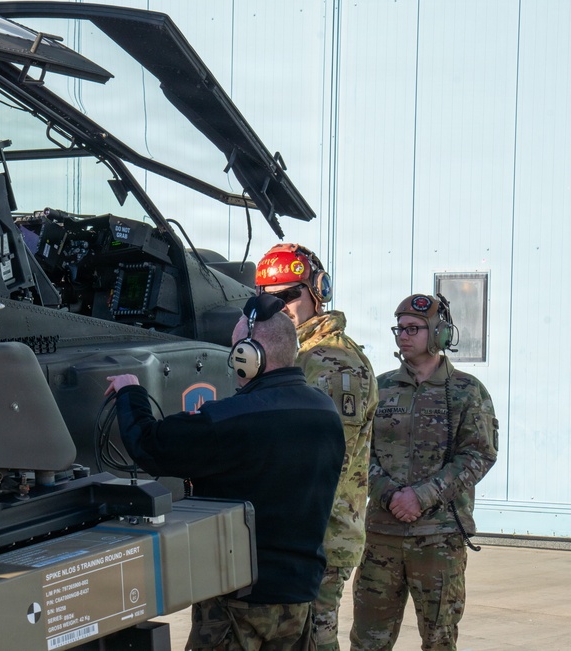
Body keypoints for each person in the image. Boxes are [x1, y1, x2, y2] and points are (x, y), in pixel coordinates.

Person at [105, 293, 345, 650]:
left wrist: (131, 394)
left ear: (251, 356)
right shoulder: (325, 412)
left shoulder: (233, 418)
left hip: (238, 601)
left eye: (236, 351)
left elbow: (151, 446)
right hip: (300, 598)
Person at [350, 294, 499, 651]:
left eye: (413, 328)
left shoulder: (467, 391)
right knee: (368, 640)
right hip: (381, 536)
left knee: (439, 640)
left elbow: (479, 454)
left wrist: (422, 496)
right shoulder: (379, 387)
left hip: (439, 541)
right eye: (399, 328)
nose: (403, 335)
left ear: (439, 334)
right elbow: (356, 452)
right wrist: (388, 494)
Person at [256, 243, 377, 651]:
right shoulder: (294, 354)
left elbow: (326, 460)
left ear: (317, 291)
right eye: (268, 298)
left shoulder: (332, 362)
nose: (279, 306)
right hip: (299, 533)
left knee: (315, 640)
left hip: (321, 535)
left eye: (289, 295)